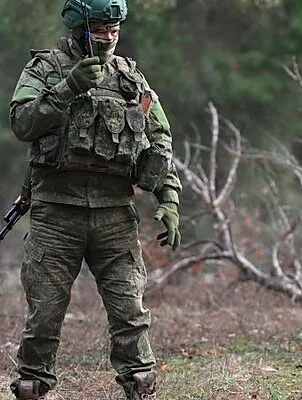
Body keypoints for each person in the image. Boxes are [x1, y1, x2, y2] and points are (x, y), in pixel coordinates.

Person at [8, 0, 182, 398]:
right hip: (56, 214)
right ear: (77, 28)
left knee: (130, 312)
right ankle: (33, 385)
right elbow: (22, 123)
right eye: (99, 28)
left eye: (114, 28)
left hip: (115, 216)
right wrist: (68, 87)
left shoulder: (129, 78)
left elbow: (158, 140)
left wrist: (169, 198)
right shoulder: (46, 69)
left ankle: (139, 383)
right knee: (46, 312)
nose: (107, 36)